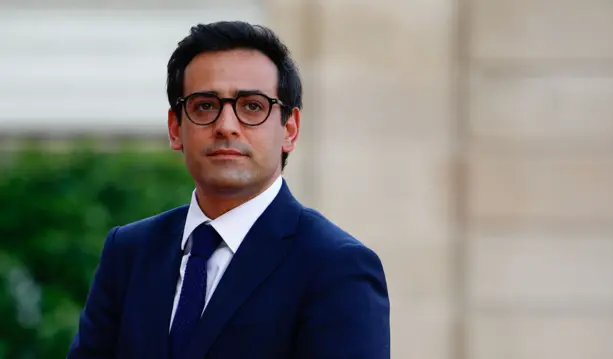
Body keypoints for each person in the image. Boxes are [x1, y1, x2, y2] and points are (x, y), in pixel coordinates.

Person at [67, 21, 390, 359]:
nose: (226, 126)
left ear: (290, 129)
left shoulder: (336, 265)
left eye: (252, 106)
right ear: (176, 128)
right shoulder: (130, 252)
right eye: (205, 106)